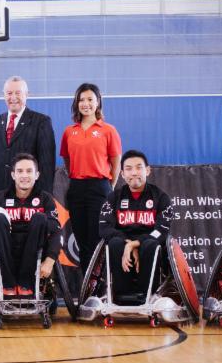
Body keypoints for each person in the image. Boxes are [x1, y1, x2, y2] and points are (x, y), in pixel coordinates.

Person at [60, 82, 122, 273]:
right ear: (76, 103)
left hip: (100, 188)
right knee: (81, 240)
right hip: (76, 189)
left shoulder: (108, 130)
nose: (85, 103)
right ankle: (86, 290)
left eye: (90, 99)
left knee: (97, 239)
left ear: (98, 102)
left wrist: (108, 186)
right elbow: (68, 161)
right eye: (81, 99)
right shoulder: (69, 131)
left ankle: (100, 286)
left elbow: (116, 161)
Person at [0, 153, 62, 297]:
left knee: (39, 218)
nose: (24, 175)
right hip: (4, 253)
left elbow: (56, 232)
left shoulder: (46, 199)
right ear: (13, 175)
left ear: (37, 175)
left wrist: (50, 261)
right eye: (20, 171)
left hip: (34, 254)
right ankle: (8, 284)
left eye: (29, 171)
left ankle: (26, 283)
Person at [98, 150, 174, 300]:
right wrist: (128, 243)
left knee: (151, 245)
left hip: (149, 243)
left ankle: (147, 294)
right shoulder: (113, 198)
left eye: (139, 167)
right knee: (114, 243)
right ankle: (121, 295)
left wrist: (136, 244)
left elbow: (161, 231)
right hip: (122, 242)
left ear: (148, 170)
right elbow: (104, 228)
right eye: (128, 168)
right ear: (122, 174)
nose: (134, 173)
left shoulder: (161, 198)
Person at [0, 76, 56, 198]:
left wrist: (44, 199)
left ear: (27, 94)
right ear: (4, 95)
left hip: (29, 197)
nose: (13, 98)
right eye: (9, 93)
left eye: (18, 93)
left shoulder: (41, 122)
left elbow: (47, 166)